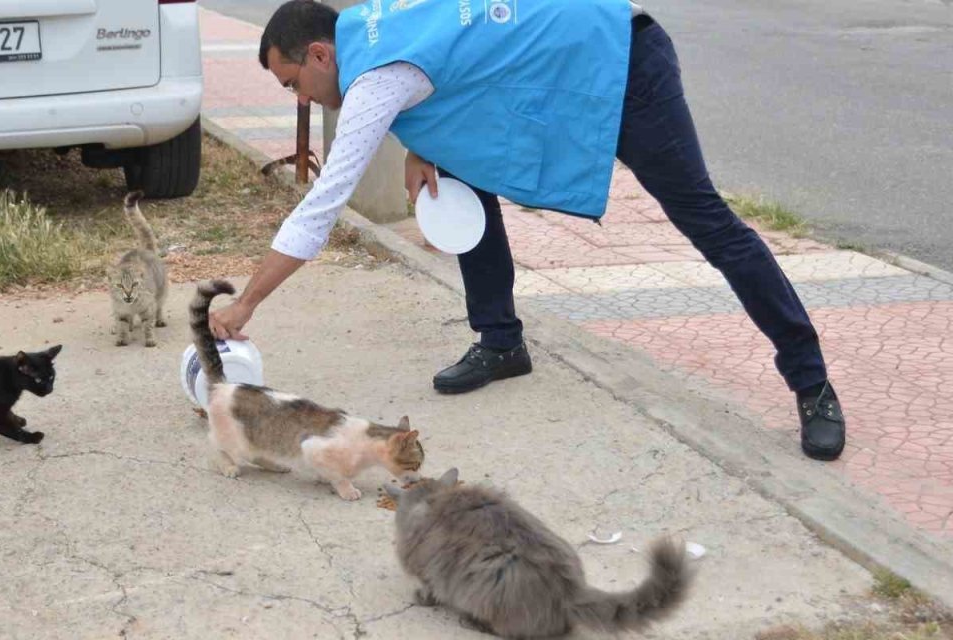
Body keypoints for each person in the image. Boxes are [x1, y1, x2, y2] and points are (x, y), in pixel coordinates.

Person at [207, 0, 846, 461]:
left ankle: (811, 380)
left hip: (622, 61)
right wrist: (421, 138)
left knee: (708, 223)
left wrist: (248, 301)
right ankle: (501, 342)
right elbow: (444, 59)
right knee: (457, 172)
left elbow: (322, 204)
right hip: (557, 72)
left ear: (320, 53)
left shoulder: (375, 76)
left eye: (295, 83)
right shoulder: (376, 24)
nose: (300, 97)